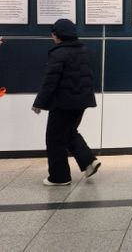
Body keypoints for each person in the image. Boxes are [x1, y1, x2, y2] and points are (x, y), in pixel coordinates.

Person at [32, 19, 101, 185]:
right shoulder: (85, 51)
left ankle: (59, 177)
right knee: (68, 132)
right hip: (82, 101)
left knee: (54, 139)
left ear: (57, 35)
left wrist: (39, 103)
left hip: (63, 103)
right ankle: (89, 161)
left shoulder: (59, 53)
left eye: (53, 35)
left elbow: (50, 81)